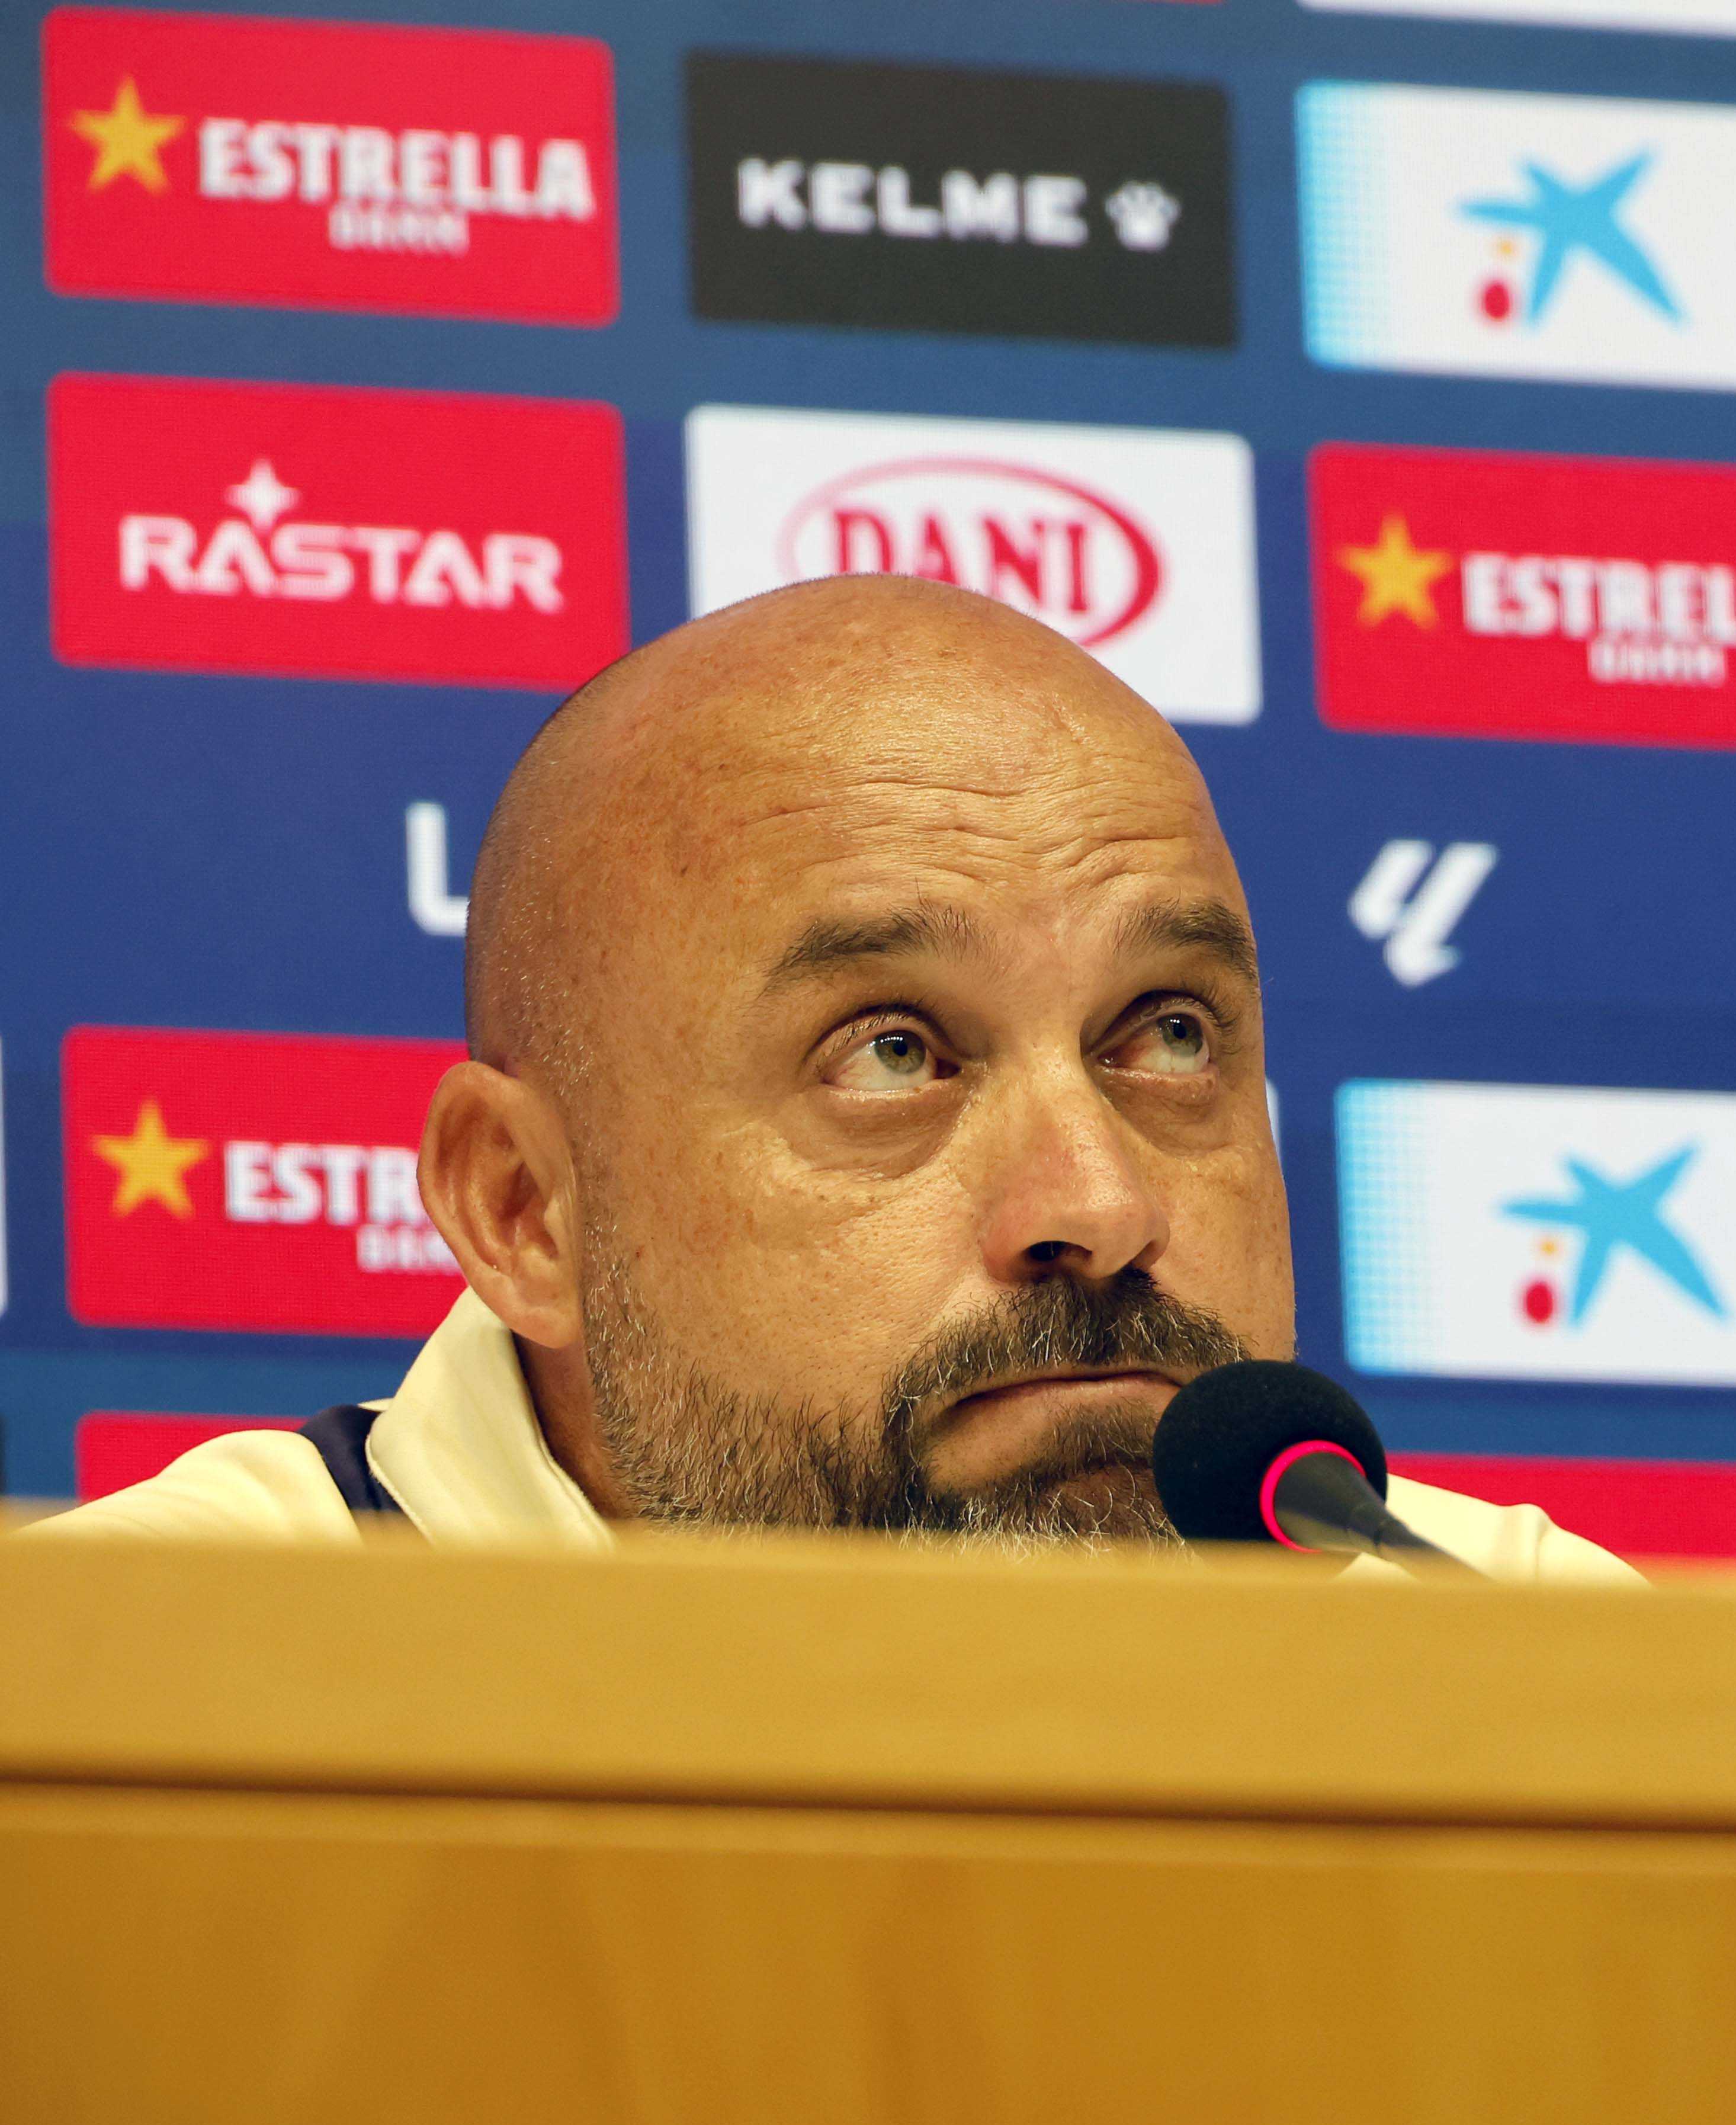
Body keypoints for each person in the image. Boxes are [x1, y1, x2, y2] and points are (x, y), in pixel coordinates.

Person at [31, 577, 1635, 1582]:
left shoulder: (1512, 1655)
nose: (1100, 1206)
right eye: (893, 1054)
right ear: (524, 1211)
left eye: (1166, 1035)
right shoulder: (127, 1707)